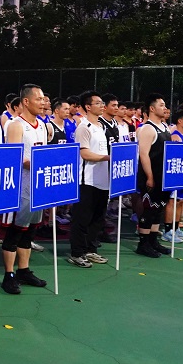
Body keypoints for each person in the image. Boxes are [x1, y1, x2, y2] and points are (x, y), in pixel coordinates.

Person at [0, 83, 49, 295]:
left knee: (31, 229)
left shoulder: (43, 125)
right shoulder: (15, 125)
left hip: (37, 187)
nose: (43, 102)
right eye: (39, 99)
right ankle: (8, 274)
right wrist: (31, 162)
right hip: (20, 187)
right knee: (15, 230)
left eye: (44, 99)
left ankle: (24, 270)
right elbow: (13, 156)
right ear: (26, 101)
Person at [67, 91, 111, 268]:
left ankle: (90, 249)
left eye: (102, 103)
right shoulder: (84, 127)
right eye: (98, 103)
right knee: (82, 218)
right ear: (88, 107)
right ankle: (77, 253)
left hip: (103, 179)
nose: (102, 106)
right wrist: (107, 158)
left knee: (98, 218)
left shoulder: (101, 126)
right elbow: (84, 153)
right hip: (87, 180)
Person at [135, 94, 174, 258]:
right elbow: (143, 154)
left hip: (163, 176)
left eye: (165, 105)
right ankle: (143, 244)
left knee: (159, 208)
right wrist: (150, 176)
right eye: (161, 105)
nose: (165, 108)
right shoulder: (147, 129)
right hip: (151, 176)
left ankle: (153, 240)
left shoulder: (164, 126)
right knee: (149, 209)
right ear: (152, 108)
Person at [161, 108, 183, 245]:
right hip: (176, 174)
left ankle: (176, 228)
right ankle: (167, 230)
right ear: (180, 121)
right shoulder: (175, 136)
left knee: (181, 201)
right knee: (173, 201)